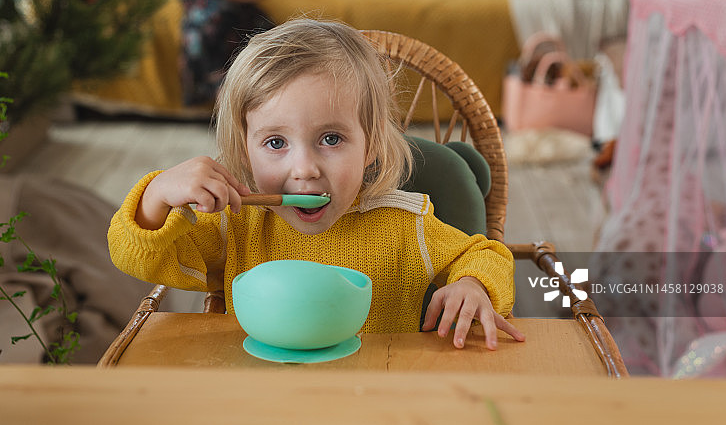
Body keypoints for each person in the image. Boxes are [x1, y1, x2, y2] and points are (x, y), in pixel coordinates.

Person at [108, 19, 525, 350]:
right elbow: (136, 258)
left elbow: (487, 253)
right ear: (245, 150)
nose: (304, 168)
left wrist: (472, 284)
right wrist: (158, 194)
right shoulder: (233, 226)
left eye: (330, 139)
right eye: (275, 143)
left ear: (371, 145)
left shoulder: (404, 225)